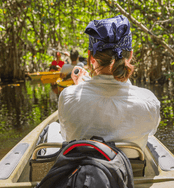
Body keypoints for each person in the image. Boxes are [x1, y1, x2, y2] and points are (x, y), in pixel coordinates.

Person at [58, 15, 161, 157]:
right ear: (130, 55)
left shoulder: (68, 95)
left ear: (91, 57)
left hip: (83, 174)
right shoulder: (149, 101)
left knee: (52, 128)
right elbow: (150, 133)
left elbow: (65, 134)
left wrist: (80, 86)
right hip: (131, 174)